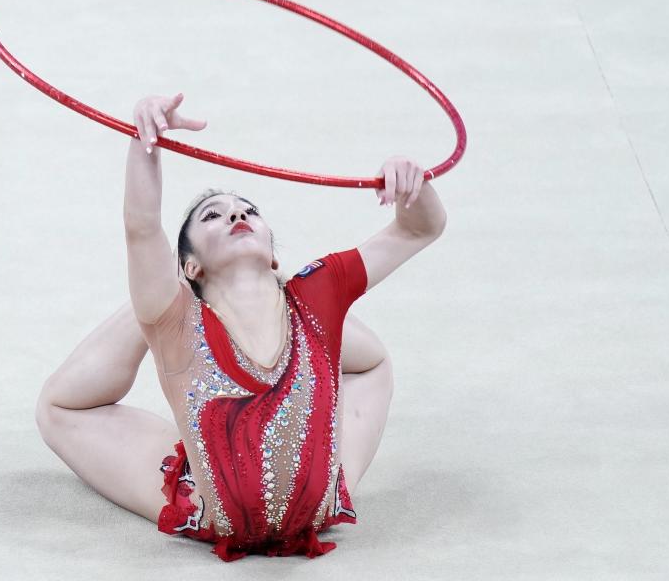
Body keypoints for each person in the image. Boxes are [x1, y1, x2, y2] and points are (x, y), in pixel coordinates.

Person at [35, 92, 447, 561]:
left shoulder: (318, 290)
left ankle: (198, 305)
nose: (236, 215)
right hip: (210, 509)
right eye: (213, 216)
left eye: (249, 211)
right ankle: (150, 303)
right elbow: (142, 226)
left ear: (273, 253)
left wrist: (413, 183)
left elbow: (418, 228)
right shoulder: (182, 323)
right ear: (188, 266)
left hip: (322, 492)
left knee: (367, 359)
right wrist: (145, 141)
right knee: (57, 407)